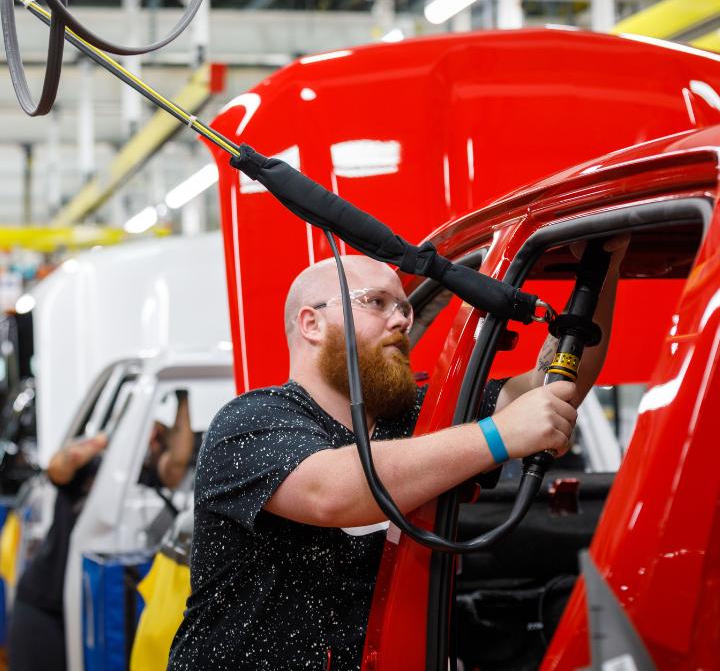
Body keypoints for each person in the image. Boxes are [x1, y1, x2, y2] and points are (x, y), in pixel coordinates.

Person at [168, 239, 627, 671]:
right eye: (376, 302)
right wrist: (498, 435)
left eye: (404, 308)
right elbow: (333, 491)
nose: (402, 320)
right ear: (312, 323)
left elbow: (553, 388)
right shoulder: (250, 421)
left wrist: (604, 266)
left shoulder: (415, 419)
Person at [8, 389, 193, 671]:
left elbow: (178, 458)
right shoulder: (92, 467)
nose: (152, 438)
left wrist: (182, 399)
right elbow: (59, 465)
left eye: (158, 436)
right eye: (149, 431)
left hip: (95, 610)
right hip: (46, 604)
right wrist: (119, 434)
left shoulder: (151, 475)